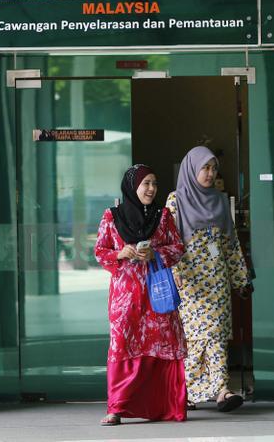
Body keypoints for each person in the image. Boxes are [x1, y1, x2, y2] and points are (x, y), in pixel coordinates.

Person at [94, 164, 187, 426]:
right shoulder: (112, 217)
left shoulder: (163, 215)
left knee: (162, 346)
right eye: (145, 183)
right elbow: (100, 251)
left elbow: (178, 247)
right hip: (126, 298)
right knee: (123, 346)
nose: (151, 189)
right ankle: (116, 408)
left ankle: (167, 406)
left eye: (154, 183)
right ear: (132, 186)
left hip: (157, 293)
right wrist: (120, 253)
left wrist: (156, 254)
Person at [166, 146, 251, 412]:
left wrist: (240, 278)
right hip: (191, 281)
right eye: (205, 167)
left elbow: (231, 243)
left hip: (218, 280)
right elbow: (166, 243)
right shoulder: (176, 201)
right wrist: (176, 273)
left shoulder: (220, 201)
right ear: (191, 169)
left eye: (214, 168)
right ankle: (188, 391)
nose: (210, 173)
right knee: (198, 336)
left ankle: (221, 391)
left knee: (217, 336)